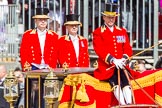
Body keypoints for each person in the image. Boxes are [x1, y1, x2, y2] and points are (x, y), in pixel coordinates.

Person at [92, 3, 136, 105]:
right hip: (107, 67)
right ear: (104, 17)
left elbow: (127, 48)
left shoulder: (121, 31)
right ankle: (122, 104)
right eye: (108, 17)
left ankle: (129, 104)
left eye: (113, 17)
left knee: (125, 81)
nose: (111, 20)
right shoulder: (98, 32)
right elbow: (99, 49)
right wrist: (113, 60)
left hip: (121, 65)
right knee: (115, 81)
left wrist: (124, 58)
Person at [20, 7, 59, 71]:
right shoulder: (27, 35)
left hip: (49, 67)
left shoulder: (54, 36)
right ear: (35, 21)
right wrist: (26, 67)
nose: (43, 21)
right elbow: (23, 53)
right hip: (33, 66)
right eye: (40, 19)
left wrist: (53, 67)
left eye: (45, 19)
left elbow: (56, 54)